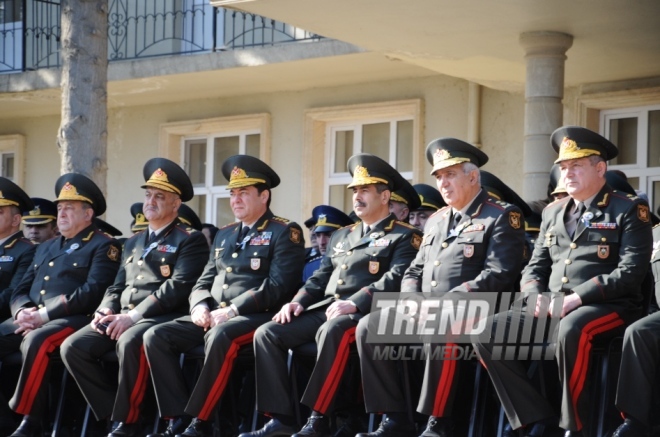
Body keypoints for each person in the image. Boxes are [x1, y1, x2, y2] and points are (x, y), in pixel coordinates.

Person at [473, 126, 653, 437]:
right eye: (564, 167)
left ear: (600, 169)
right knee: (487, 332)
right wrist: (533, 295)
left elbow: (630, 273)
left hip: (607, 305)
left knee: (572, 330)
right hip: (553, 304)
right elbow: (535, 267)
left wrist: (576, 298)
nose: (567, 174)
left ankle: (575, 427)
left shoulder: (628, 209)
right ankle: (537, 418)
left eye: (577, 166)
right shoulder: (553, 212)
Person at [240, 153, 423, 437]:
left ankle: (319, 418)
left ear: (385, 196)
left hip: (368, 312)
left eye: (365, 190)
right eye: (355, 191)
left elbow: (396, 277)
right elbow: (320, 277)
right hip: (329, 307)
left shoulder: (405, 235)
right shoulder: (342, 235)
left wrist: (356, 302)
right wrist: (297, 302)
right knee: (268, 332)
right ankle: (280, 419)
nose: (357, 197)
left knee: (333, 329)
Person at [355, 139, 526, 437]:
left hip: (480, 308)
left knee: (439, 326)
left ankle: (439, 422)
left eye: (450, 175)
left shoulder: (499, 215)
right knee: (370, 326)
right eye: (439, 177)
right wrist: (411, 298)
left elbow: (500, 273)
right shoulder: (435, 220)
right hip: (427, 308)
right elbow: (415, 270)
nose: (443, 183)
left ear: (473, 177)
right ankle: (395, 418)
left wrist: (448, 301)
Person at [143, 155, 306, 437]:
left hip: (256, 316)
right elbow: (204, 280)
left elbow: (278, 286)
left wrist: (231, 311)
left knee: (221, 336)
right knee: (156, 336)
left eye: (244, 193)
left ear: (264, 196)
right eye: (232, 193)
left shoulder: (284, 231)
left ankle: (200, 423)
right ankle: (178, 418)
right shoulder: (224, 234)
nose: (236, 200)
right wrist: (199, 306)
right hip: (214, 316)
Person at [60, 158, 210, 437]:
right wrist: (105, 310)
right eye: (148, 195)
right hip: (124, 315)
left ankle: (127, 424)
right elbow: (117, 285)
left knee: (130, 339)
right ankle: (112, 415)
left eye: (160, 197)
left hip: (162, 316)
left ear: (176, 205)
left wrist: (132, 316)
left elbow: (178, 286)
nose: (150, 201)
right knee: (73, 347)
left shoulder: (189, 238)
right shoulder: (133, 241)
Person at [1, 173, 121, 437]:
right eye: (60, 208)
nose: (62, 214)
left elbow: (92, 291)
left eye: (69, 209)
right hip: (32, 317)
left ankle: (30, 421)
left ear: (88, 214)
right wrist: (22, 311)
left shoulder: (104, 245)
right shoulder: (46, 247)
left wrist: (43, 315)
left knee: (37, 341)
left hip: (75, 318)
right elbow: (21, 288)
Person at [0, 180, 36, 434]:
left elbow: (14, 292)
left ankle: (4, 422)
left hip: (13, 318)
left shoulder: (26, 250)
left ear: (16, 220)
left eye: (0, 211)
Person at [301, 205, 354, 282]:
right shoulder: (310, 267)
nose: (322, 242)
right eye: (318, 235)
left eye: (328, 235)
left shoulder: (357, 263)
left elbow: (377, 292)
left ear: (343, 235)